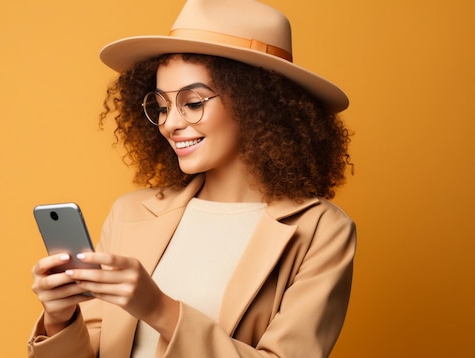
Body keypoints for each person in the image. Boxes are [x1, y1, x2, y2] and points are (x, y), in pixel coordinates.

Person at [28, 0, 356, 357]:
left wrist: (159, 309)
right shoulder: (130, 214)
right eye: (163, 106)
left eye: (193, 103)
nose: (169, 123)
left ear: (257, 104)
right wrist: (59, 319)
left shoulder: (321, 230)